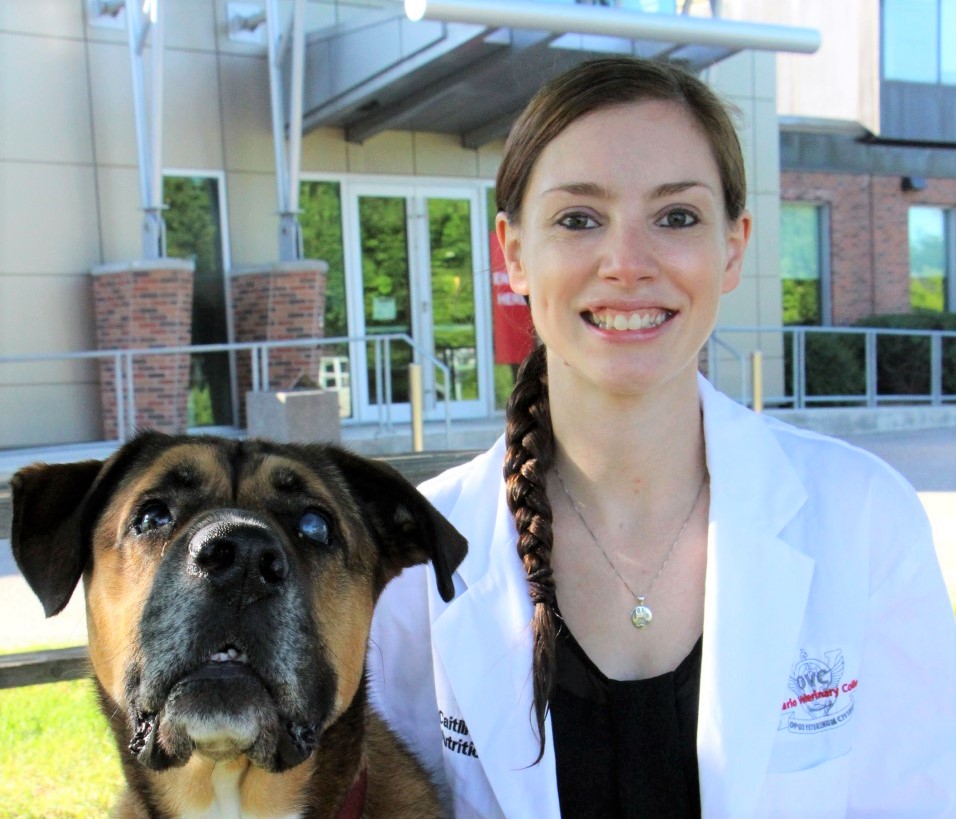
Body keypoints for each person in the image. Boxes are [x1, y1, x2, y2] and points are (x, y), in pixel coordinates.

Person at [367, 57, 956, 818]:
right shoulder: (417, 558)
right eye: (579, 219)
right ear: (514, 253)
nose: (627, 264)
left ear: (734, 246)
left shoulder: (867, 519)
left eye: (675, 217)